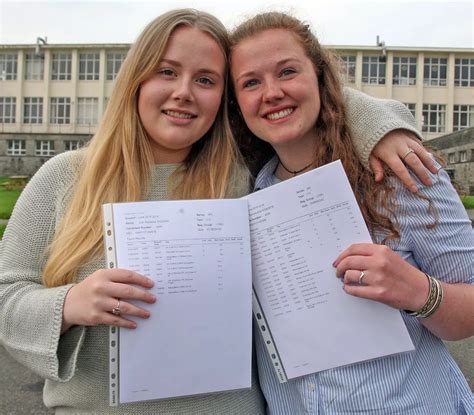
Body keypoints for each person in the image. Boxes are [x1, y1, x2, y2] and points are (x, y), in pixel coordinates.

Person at [0, 8, 435, 414]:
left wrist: (383, 127)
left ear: (224, 98)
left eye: (206, 80)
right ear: (135, 80)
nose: (183, 93)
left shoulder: (246, 174)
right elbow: (6, 294)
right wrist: (70, 302)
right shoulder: (65, 177)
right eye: (167, 72)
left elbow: (303, 99)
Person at [229, 12, 474, 414]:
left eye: (287, 71)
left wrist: (418, 291)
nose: (271, 93)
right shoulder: (243, 193)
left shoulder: (400, 175)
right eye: (250, 82)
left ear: (320, 78)